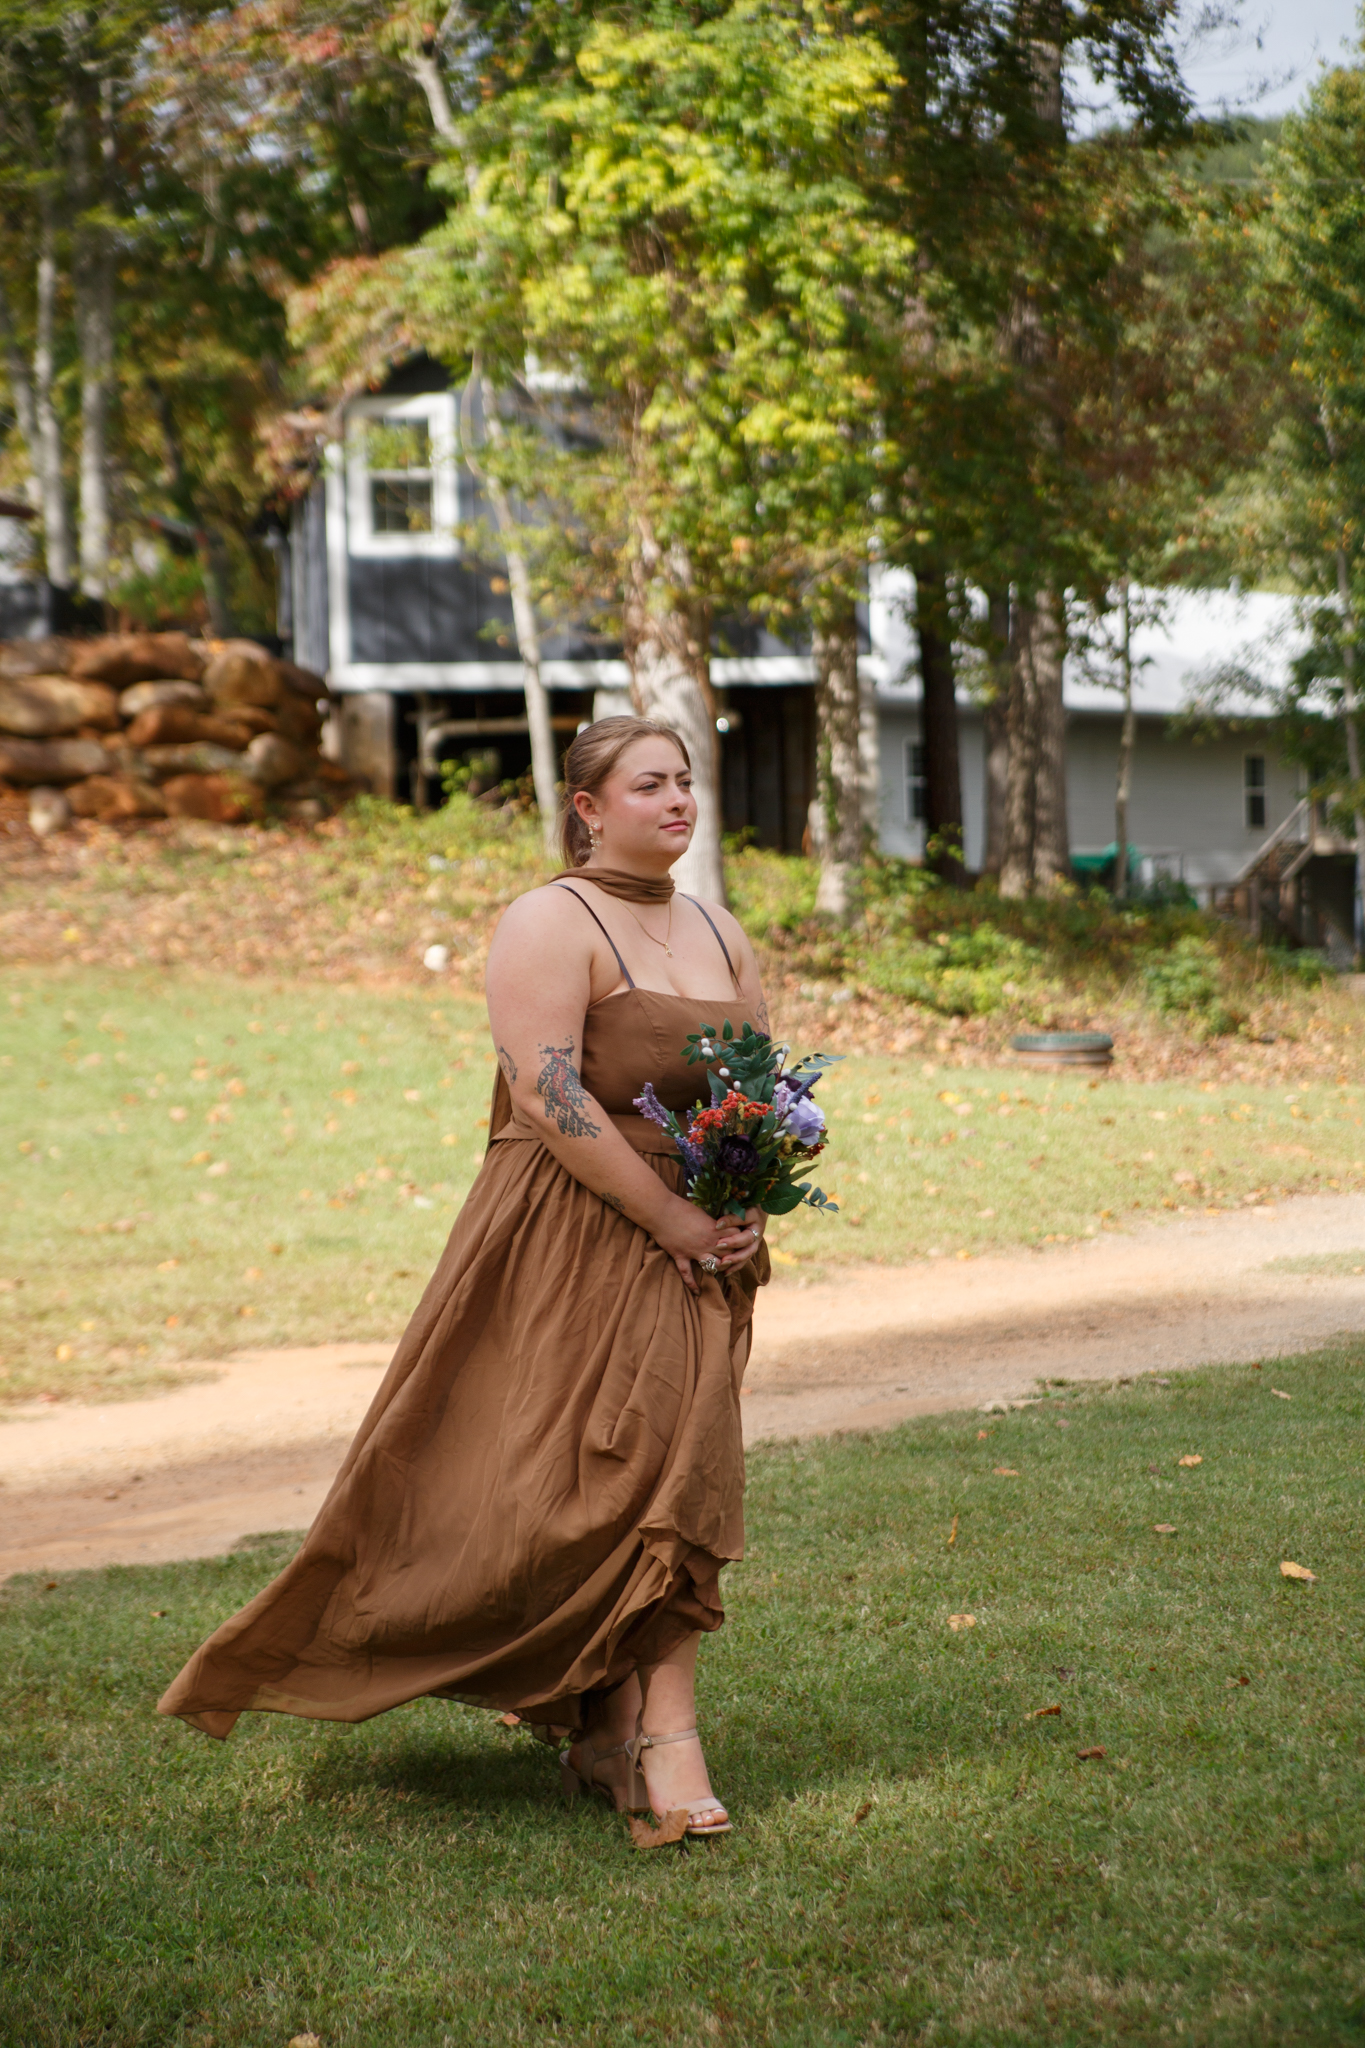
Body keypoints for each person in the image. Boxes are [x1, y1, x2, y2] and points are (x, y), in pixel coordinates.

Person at [159, 716, 771, 1839]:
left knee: (680, 1472)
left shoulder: (719, 928)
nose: (678, 800)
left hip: (703, 1241)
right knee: (578, 1487)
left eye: (685, 780)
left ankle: (650, 1735)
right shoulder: (550, 920)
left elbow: (754, 1091)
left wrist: (745, 1201)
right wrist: (673, 1221)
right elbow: (548, 1094)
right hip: (578, 1233)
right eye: (649, 784)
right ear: (588, 808)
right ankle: (613, 1725)